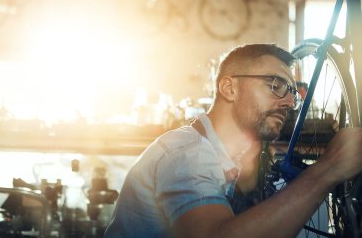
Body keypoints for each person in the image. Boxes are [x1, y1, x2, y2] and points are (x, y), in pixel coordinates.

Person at [104, 44, 362, 238]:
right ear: (229, 88)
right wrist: (327, 170)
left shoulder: (233, 155)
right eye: (275, 85)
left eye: (292, 92)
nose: (290, 102)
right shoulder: (186, 153)